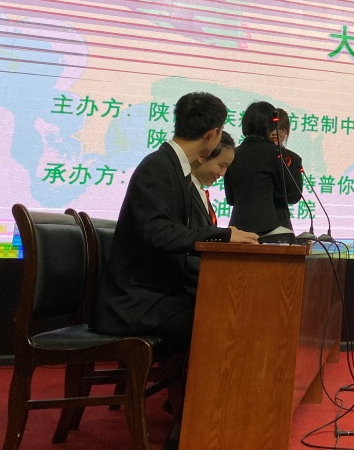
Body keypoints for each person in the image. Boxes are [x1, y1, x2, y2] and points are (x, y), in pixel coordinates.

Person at [95, 93, 259, 349]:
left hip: (158, 293)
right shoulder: (157, 167)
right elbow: (159, 233)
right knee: (227, 316)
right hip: (137, 302)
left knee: (232, 306)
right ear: (212, 134)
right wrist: (223, 235)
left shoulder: (174, 168)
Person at [225, 101, 303, 235]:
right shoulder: (274, 153)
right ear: (270, 125)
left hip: (237, 228)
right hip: (269, 229)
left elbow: (231, 198)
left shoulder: (233, 153)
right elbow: (288, 192)